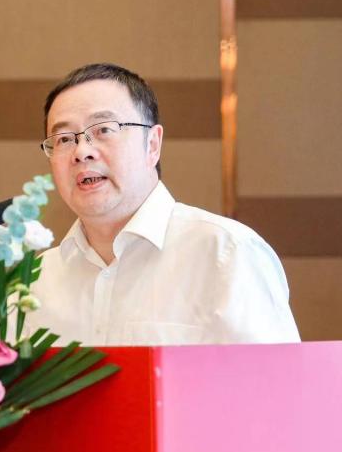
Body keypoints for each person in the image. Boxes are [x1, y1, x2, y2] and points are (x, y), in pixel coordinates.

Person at [19, 62, 301, 346]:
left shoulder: (225, 253)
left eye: (104, 129)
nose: (82, 152)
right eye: (64, 139)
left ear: (152, 144)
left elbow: (274, 374)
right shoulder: (35, 282)